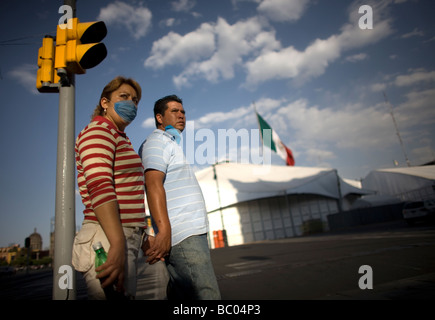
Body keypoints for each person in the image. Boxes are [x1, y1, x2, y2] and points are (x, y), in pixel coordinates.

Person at [139, 95, 221, 300]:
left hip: (189, 233)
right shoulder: (157, 142)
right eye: (174, 111)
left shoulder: (170, 143)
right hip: (183, 235)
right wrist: (163, 231)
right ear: (159, 117)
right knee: (206, 295)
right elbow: (152, 185)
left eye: (183, 111)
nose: (181, 115)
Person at [72, 76, 146, 300]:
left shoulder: (118, 136)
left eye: (135, 100)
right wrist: (117, 244)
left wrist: (143, 235)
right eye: (123, 97)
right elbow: (100, 187)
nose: (131, 104)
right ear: (105, 102)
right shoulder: (99, 131)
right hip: (108, 235)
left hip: (119, 235)